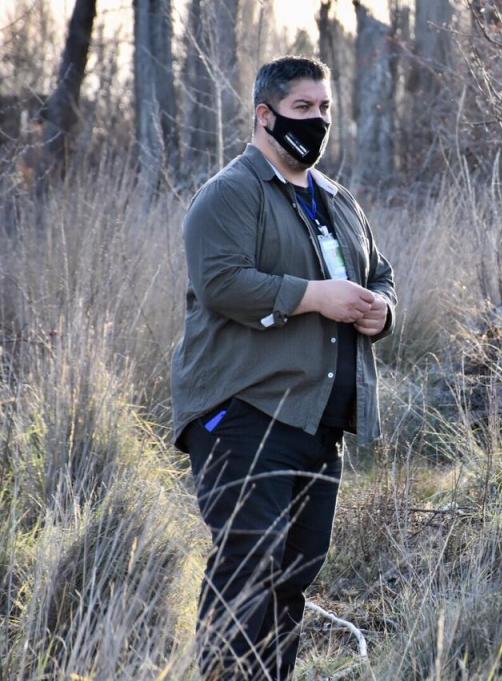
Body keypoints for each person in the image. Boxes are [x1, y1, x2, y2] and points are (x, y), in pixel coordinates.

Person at [170, 56, 396, 680]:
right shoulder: (230, 194)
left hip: (317, 420)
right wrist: (314, 296)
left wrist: (382, 311)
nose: (318, 121)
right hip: (243, 413)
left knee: (293, 574)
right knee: (248, 565)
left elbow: (379, 272)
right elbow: (220, 281)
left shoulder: (339, 199)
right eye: (303, 109)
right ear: (264, 115)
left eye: (325, 109)